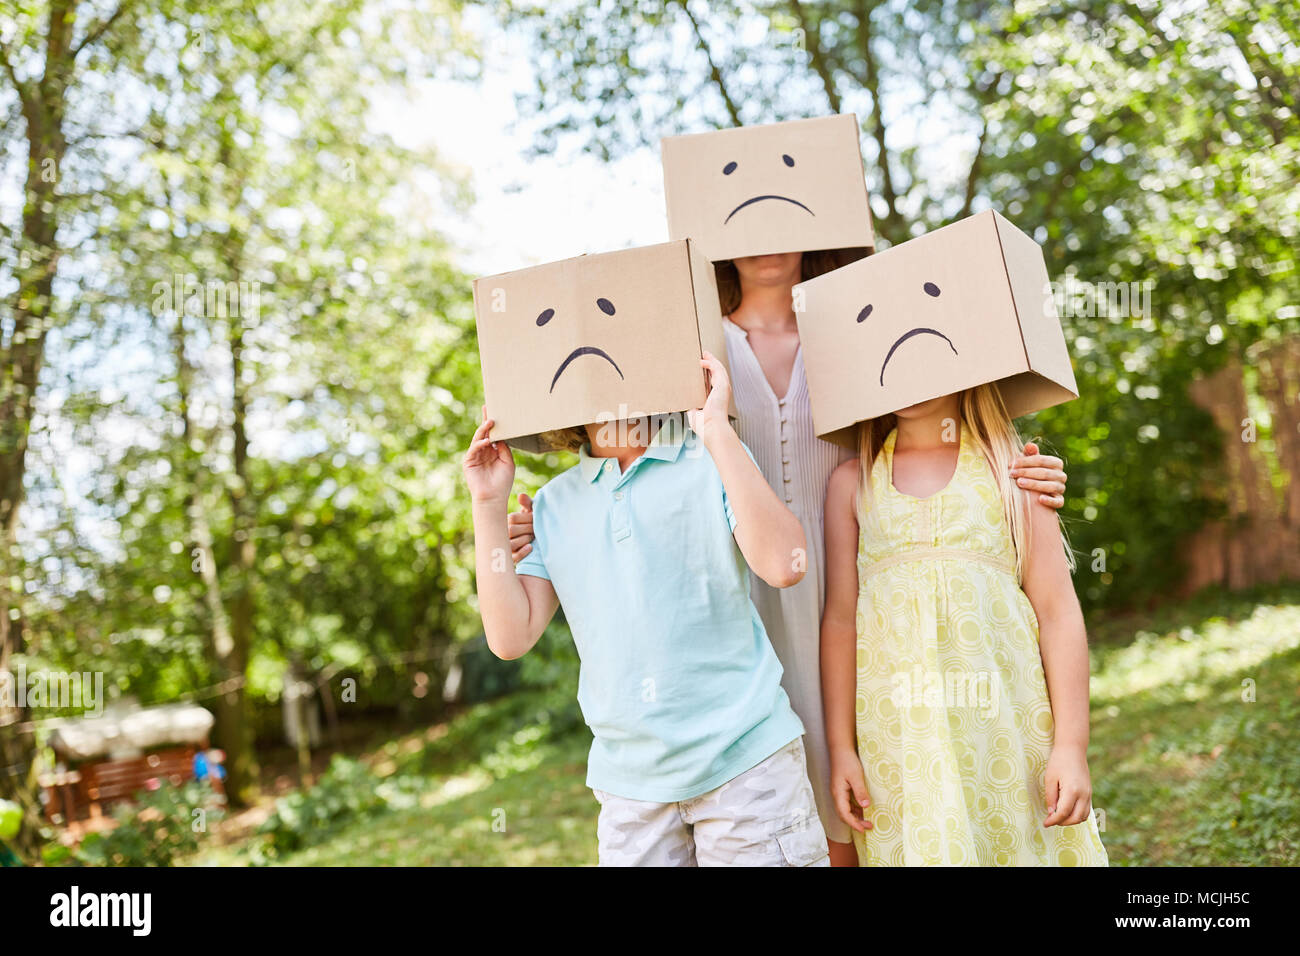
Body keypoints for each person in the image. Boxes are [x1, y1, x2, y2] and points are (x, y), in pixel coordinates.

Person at [465, 354, 830, 866]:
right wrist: (487, 503)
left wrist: (717, 431)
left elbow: (785, 565)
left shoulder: (711, 459)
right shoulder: (551, 506)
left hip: (747, 766)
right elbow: (510, 637)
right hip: (630, 790)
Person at [820, 385, 1108, 866]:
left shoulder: (1013, 472)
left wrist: (1072, 746)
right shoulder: (852, 483)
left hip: (1004, 731)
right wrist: (840, 747)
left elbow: (1058, 612)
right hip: (898, 742)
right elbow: (839, 620)